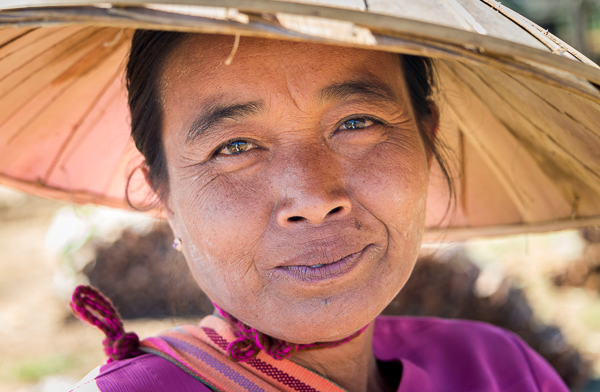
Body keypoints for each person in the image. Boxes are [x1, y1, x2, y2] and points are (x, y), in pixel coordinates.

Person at [67, 30, 570, 392]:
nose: (311, 198)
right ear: (163, 195)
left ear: (426, 136)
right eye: (235, 145)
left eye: (356, 122)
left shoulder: (498, 370)